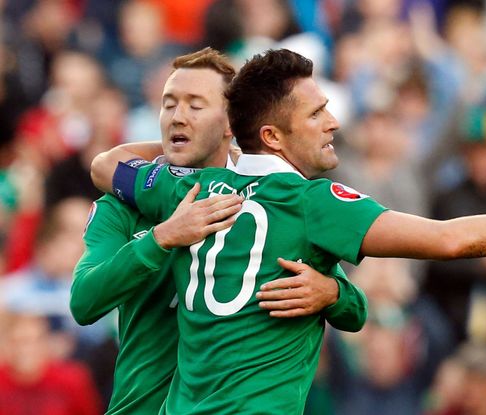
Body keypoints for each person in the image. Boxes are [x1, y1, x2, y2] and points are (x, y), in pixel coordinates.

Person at [91, 49, 486, 414]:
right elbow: (451, 240)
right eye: (317, 114)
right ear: (274, 135)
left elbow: (106, 164)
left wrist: (333, 292)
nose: (333, 123)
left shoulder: (187, 190)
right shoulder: (315, 204)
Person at [71, 48, 369, 414]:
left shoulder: (266, 201)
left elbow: (355, 313)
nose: (177, 117)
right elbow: (84, 301)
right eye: (168, 105)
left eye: (195, 106)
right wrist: (163, 238)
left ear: (231, 121)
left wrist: (333, 293)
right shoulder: (122, 206)